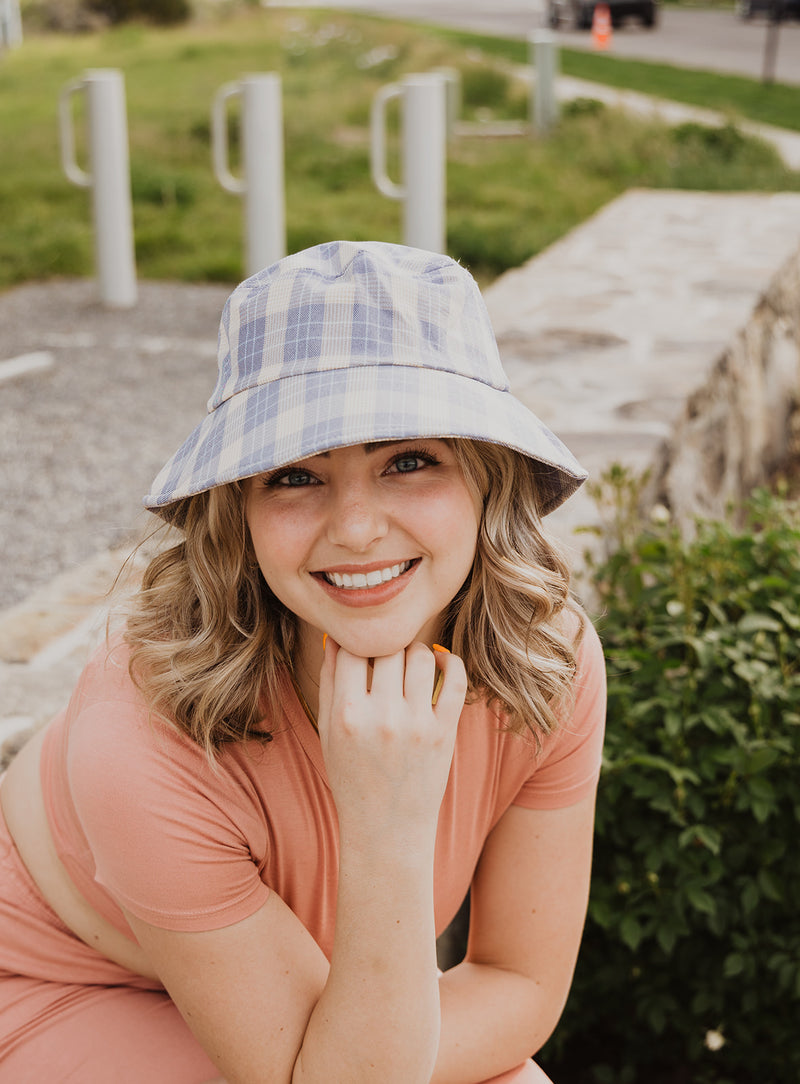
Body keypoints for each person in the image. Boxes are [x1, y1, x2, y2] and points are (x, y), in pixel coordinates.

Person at [0, 241, 605, 1083]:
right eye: (293, 474)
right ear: (235, 511)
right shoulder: (143, 737)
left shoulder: (550, 658)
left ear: (488, 478)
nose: (355, 529)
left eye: (409, 460)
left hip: (304, 992)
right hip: (65, 982)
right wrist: (388, 822)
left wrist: (362, 1053)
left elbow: (520, 984)